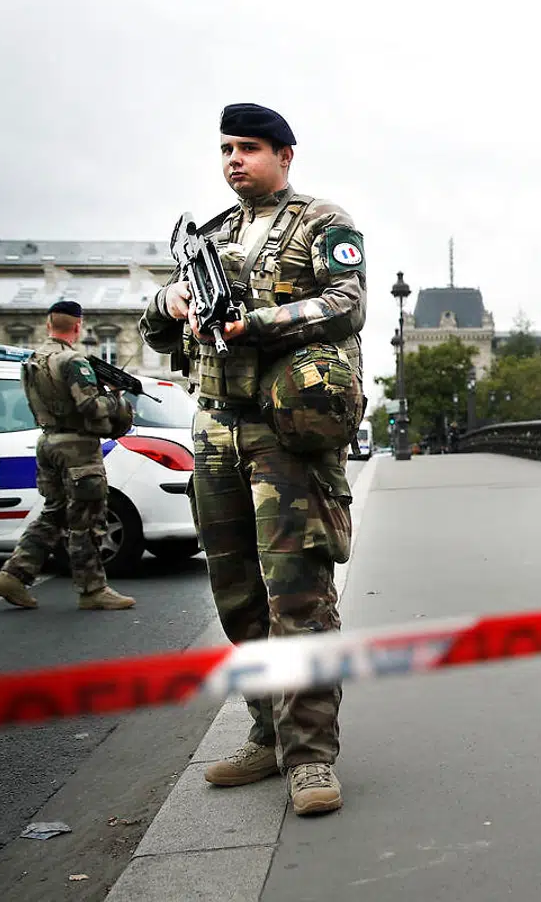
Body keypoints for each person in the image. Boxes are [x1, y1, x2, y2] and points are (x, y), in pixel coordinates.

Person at [139, 103, 366, 816]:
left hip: (284, 435)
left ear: (284, 156)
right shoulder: (207, 237)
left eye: (249, 148)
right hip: (215, 430)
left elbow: (348, 302)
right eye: (227, 149)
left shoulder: (322, 222)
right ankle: (267, 734)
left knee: (297, 597)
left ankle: (310, 757)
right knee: (237, 597)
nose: (234, 159)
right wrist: (169, 302)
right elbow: (159, 334)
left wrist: (256, 321)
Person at [0, 302, 137, 611]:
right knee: (87, 520)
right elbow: (90, 407)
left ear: (47, 325)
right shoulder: (73, 361)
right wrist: (113, 396)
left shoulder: (33, 360)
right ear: (78, 327)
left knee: (53, 514)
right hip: (77, 449)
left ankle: (13, 574)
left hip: (47, 442)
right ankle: (92, 589)